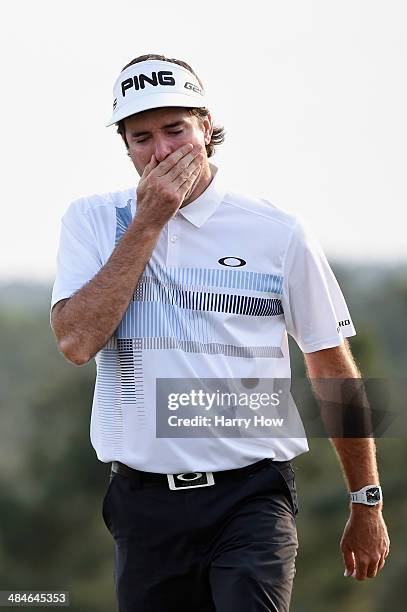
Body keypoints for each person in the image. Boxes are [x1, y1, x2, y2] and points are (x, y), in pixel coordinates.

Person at [50, 53, 390, 612]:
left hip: (252, 495)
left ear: (207, 128)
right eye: (141, 138)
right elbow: (76, 342)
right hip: (143, 502)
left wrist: (366, 500)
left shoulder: (277, 231)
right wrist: (148, 223)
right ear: (126, 146)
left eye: (175, 130)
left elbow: (332, 366)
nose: (160, 151)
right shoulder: (92, 220)